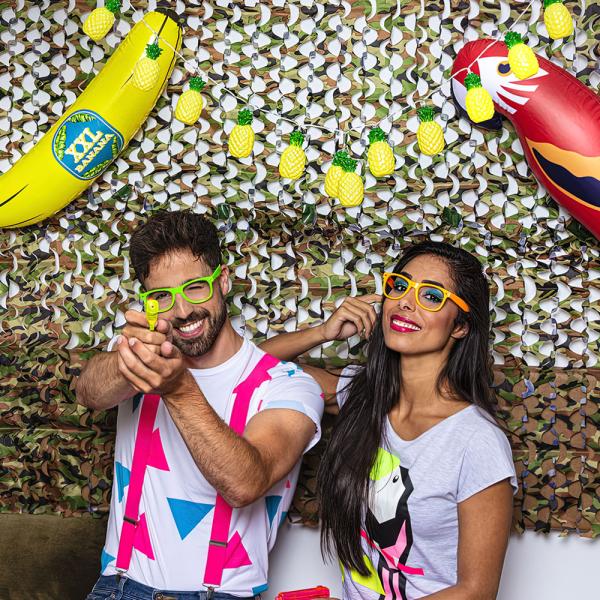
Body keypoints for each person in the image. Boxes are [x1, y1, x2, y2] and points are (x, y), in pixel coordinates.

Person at [76, 210, 323, 599]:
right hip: (118, 587)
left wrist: (177, 388)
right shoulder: (141, 357)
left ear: (222, 280)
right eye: (162, 296)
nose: (182, 311)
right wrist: (132, 359)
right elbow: (88, 392)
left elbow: (245, 484)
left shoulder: (287, 385)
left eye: (195, 287)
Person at [260, 241, 517, 600]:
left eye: (431, 296)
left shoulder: (476, 440)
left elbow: (476, 592)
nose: (406, 302)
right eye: (400, 286)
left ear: (460, 326)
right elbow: (251, 372)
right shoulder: (360, 396)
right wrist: (322, 333)